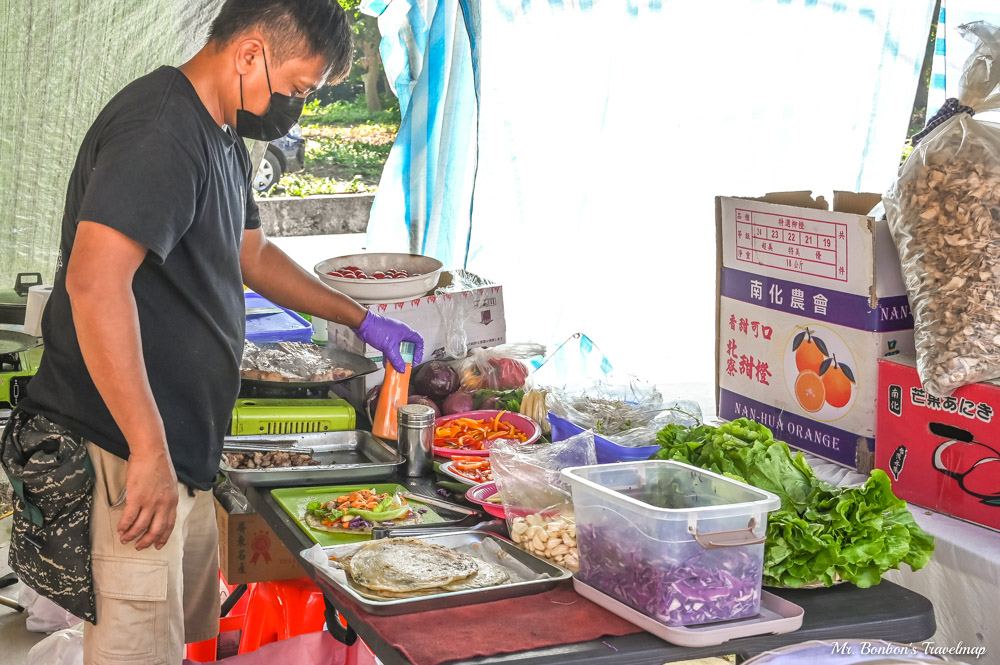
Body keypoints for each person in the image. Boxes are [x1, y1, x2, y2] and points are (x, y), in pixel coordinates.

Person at [13, 1, 423, 662]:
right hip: (126, 446)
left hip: (183, 449)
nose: (294, 106)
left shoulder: (223, 136)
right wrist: (147, 449)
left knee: (184, 640)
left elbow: (250, 254)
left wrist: (361, 318)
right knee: (134, 646)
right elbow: (94, 283)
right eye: (297, 88)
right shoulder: (163, 128)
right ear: (251, 52)